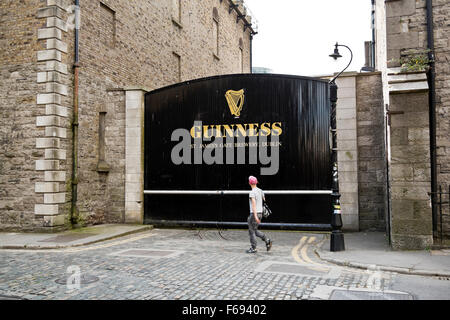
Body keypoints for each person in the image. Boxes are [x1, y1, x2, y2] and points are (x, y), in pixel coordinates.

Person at [246, 176, 272, 253]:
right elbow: (264, 199)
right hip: (260, 213)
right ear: (256, 182)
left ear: (249, 183)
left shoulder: (252, 192)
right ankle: (267, 240)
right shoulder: (260, 191)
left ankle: (253, 248)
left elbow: (253, 204)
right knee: (255, 230)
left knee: (251, 231)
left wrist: (255, 216)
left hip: (254, 214)